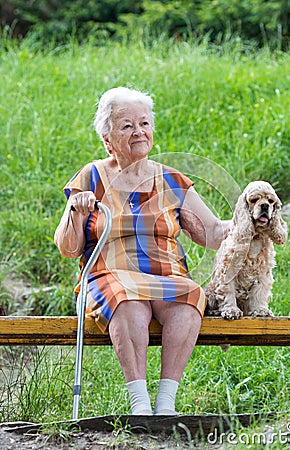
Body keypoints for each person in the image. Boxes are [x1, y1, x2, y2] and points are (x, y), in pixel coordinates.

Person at [54, 87, 229, 415]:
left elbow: (214, 232)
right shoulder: (91, 177)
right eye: (127, 125)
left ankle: (165, 404)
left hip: (166, 273)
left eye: (145, 124)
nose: (139, 131)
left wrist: (253, 219)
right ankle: (139, 404)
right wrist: (75, 212)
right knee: (129, 301)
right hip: (110, 274)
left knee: (189, 296)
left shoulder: (171, 180)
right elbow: (68, 247)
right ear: (107, 138)